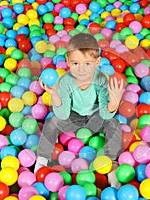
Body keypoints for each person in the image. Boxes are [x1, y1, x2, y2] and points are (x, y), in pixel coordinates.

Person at [34, 33, 124, 188]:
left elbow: (104, 114)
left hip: (96, 117)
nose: (81, 70)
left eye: (87, 64)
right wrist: (55, 94)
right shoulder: (65, 81)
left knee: (114, 124)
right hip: (73, 117)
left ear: (97, 62)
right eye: (76, 63)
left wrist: (113, 104)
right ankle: (42, 160)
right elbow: (62, 114)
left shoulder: (101, 79)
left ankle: (112, 164)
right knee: (51, 122)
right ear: (68, 62)